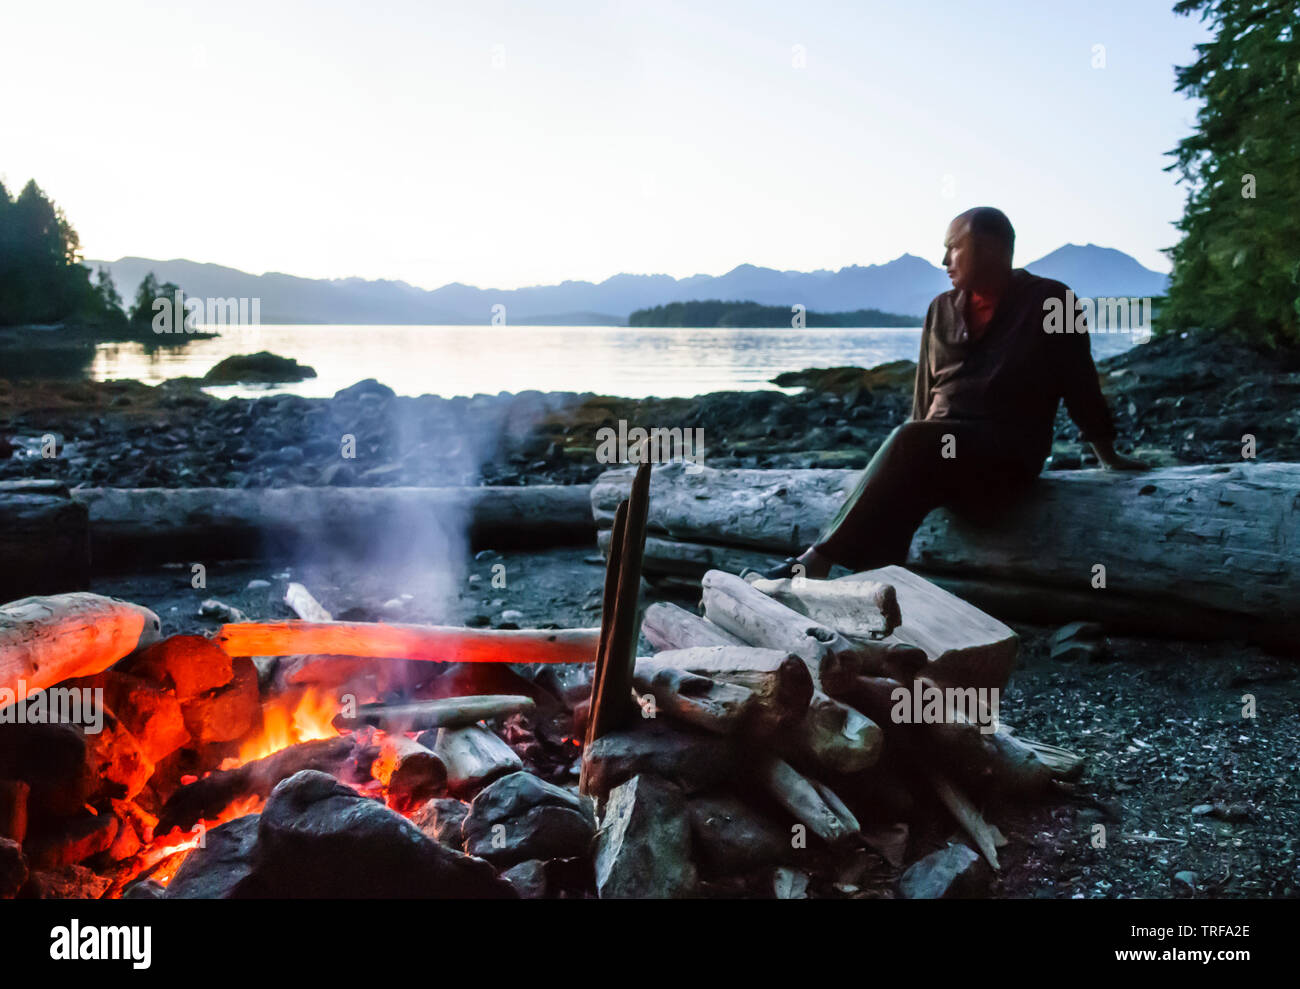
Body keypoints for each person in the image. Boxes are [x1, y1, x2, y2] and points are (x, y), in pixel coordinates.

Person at [765, 206, 1147, 581]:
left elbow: (1080, 382)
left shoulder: (1052, 301)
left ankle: (817, 560)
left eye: (953, 247)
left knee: (914, 442)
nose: (944, 259)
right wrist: (905, 457)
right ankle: (880, 591)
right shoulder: (940, 309)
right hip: (938, 454)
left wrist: (1107, 456)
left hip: (1006, 459)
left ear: (992, 248)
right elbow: (924, 395)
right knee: (909, 469)